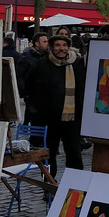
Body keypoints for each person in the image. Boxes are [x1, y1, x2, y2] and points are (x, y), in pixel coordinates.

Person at [26, 34, 87, 177]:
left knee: (74, 155)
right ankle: (49, 186)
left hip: (72, 118)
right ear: (52, 47)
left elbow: (84, 88)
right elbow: (29, 88)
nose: (62, 48)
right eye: (58, 45)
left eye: (65, 45)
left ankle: (75, 188)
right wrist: (37, 110)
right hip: (50, 119)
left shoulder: (77, 64)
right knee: (49, 155)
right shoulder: (42, 64)